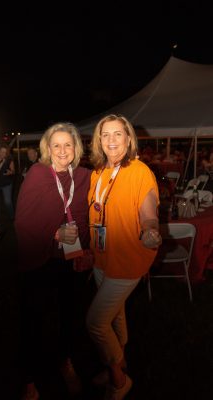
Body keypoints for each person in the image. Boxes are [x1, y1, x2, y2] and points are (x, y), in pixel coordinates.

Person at [86, 114, 162, 400]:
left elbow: (149, 211)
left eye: (118, 134)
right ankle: (120, 360)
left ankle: (118, 379)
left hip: (127, 261)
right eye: (105, 135)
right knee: (115, 315)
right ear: (99, 140)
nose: (111, 141)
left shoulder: (139, 171)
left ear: (129, 139)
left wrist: (150, 229)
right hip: (102, 257)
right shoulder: (98, 173)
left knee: (95, 322)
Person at [15, 122, 91, 400]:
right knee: (33, 321)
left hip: (68, 257)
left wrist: (84, 249)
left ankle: (65, 361)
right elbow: (22, 220)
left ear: (76, 148)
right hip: (38, 260)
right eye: (56, 145)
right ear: (47, 148)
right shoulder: (37, 174)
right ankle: (29, 379)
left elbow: (81, 216)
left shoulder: (82, 176)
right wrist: (53, 232)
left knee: (70, 317)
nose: (62, 150)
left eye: (67, 144)